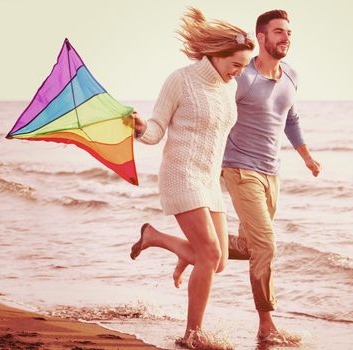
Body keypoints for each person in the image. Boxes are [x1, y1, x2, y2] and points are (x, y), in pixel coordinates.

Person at [172, 9, 321, 343]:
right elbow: (214, 106)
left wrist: (307, 156)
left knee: (252, 247)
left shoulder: (291, 75)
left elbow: (291, 118)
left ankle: (187, 249)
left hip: (272, 172)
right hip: (239, 169)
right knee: (267, 244)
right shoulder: (243, 77)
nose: (286, 37)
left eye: (289, 33)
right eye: (279, 32)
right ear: (262, 37)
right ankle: (266, 324)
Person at [127, 7, 254, 347]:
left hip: (210, 181)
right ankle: (192, 334)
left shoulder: (228, 88)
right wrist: (140, 128)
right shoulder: (180, 80)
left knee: (219, 262)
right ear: (216, 54)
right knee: (209, 255)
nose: (239, 73)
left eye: (243, 67)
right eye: (236, 65)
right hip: (180, 175)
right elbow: (155, 132)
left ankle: (156, 237)